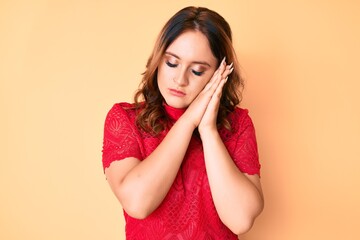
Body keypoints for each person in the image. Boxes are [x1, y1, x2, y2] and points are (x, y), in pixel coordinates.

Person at [101, 6, 263, 239]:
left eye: (197, 71)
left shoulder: (237, 124)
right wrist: (189, 120)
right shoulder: (126, 119)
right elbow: (138, 203)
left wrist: (208, 130)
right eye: (172, 63)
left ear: (219, 74)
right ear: (158, 59)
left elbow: (240, 220)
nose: (180, 79)